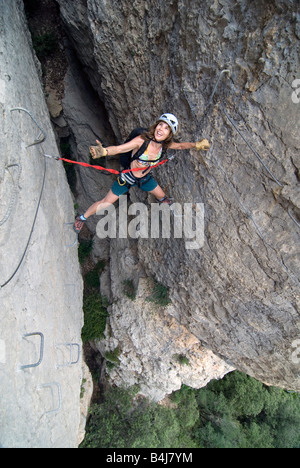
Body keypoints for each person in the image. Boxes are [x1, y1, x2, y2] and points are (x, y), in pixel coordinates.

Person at [74, 113, 210, 233]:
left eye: (166, 128)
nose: (161, 129)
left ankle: (168, 204)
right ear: (156, 126)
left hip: (144, 179)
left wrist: (196, 145)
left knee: (163, 197)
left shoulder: (164, 145)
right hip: (127, 178)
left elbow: (180, 146)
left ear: (169, 134)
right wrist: (104, 151)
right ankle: (82, 218)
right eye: (161, 125)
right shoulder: (141, 140)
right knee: (105, 203)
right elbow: (120, 149)